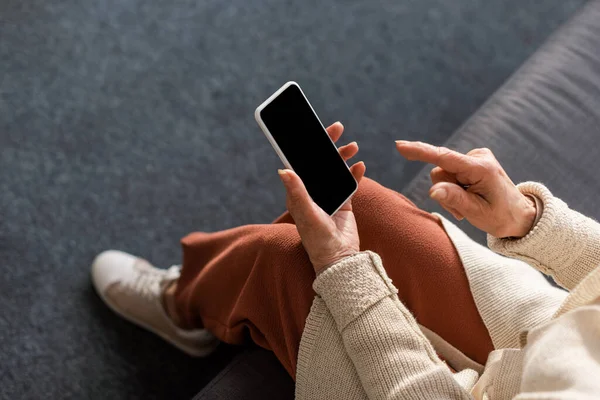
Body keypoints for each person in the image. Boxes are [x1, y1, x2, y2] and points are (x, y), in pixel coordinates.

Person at [92, 122, 600, 399]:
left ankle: (184, 305)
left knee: (286, 263)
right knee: (366, 203)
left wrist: (346, 271)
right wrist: (526, 221)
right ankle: (202, 294)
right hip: (548, 339)